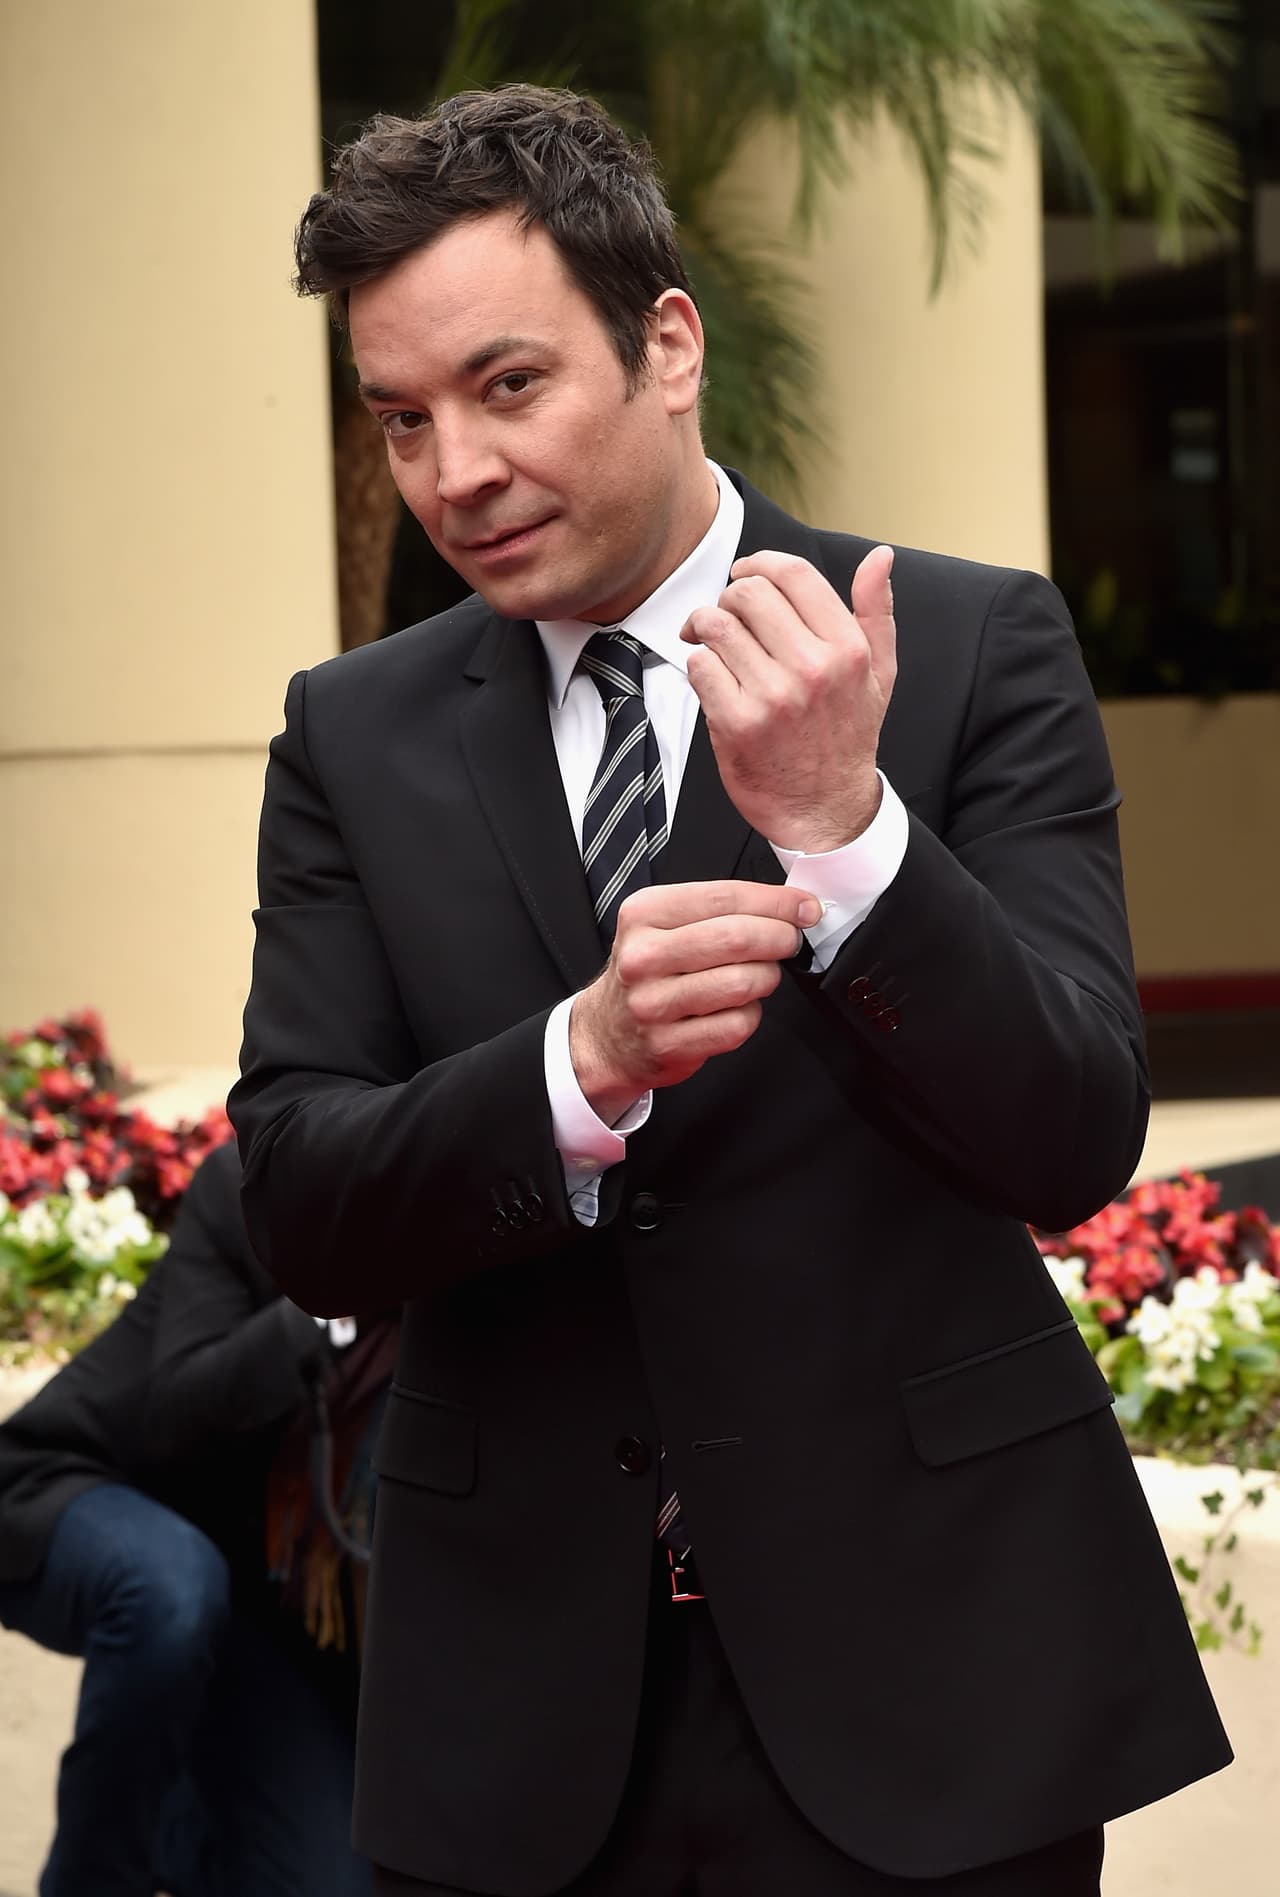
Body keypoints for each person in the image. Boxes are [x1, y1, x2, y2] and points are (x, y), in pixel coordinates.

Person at [230, 84, 1231, 1897]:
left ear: (669, 344)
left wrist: (851, 838)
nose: (456, 470)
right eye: (403, 418)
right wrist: (577, 1064)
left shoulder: (967, 643)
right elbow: (300, 1202)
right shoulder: (350, 735)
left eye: (508, 385)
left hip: (934, 1682)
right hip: (518, 1715)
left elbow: (1074, 1134)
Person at [0, 1140, 374, 1897]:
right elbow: (182, 1411)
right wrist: (331, 1309)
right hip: (83, 1485)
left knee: (333, 1883)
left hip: (250, 1591)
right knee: (169, 1588)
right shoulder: (250, 1181)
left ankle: (191, 1827)